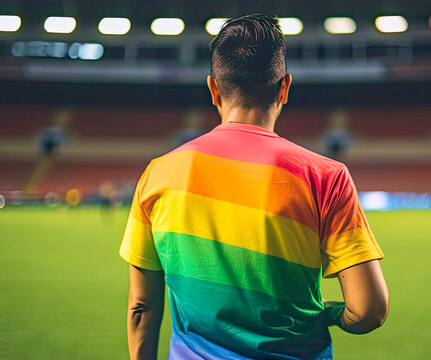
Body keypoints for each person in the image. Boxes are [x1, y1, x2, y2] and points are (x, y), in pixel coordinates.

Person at [119, 13, 389, 360]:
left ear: (213, 89)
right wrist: (331, 313)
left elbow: (141, 306)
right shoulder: (327, 177)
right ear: (284, 87)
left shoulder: (158, 173)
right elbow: (369, 310)